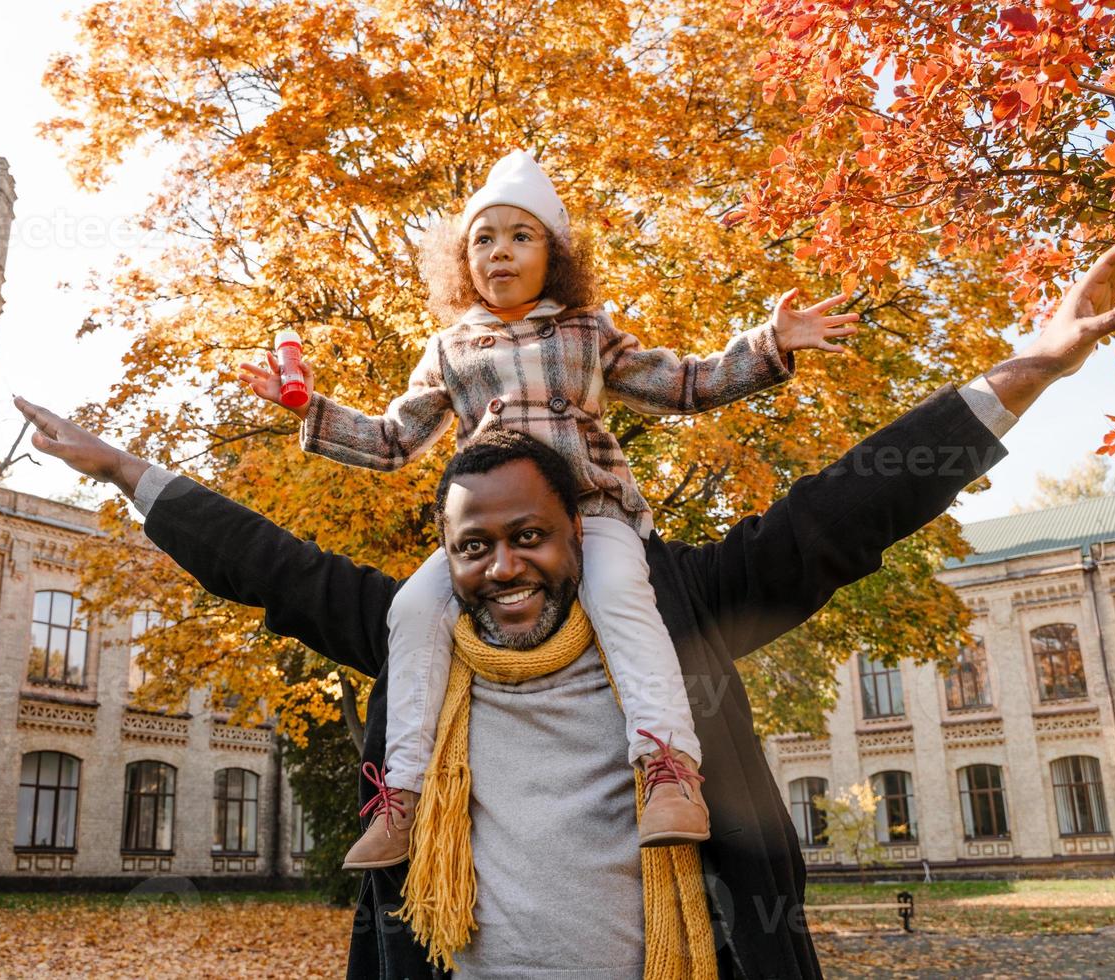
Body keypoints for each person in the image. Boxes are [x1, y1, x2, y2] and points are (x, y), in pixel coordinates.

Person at [15, 220, 1115, 979]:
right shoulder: (428, 631)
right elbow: (267, 563)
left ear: (576, 525)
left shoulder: (672, 603)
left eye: (527, 536)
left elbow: (839, 514)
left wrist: (1030, 367)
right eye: (474, 545)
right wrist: (126, 470)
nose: (503, 565)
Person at [237, 150, 861, 868]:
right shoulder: (449, 349)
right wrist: (310, 407)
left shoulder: (586, 333)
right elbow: (390, 442)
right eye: (483, 238)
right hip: (487, 530)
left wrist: (768, 344)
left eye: (520, 235)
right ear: (461, 261)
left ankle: (670, 773)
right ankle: (403, 797)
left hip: (588, 514)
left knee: (625, 595)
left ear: (554, 256)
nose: (499, 250)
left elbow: (683, 385)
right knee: (411, 613)